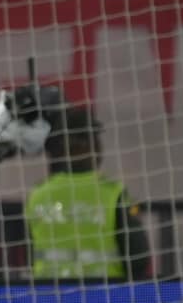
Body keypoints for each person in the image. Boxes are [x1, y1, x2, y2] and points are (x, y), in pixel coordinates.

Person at [24, 109, 150, 280]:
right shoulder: (112, 193)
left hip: (48, 298)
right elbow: (138, 257)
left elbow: (26, 253)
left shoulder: (37, 195)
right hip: (106, 298)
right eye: (93, 139)